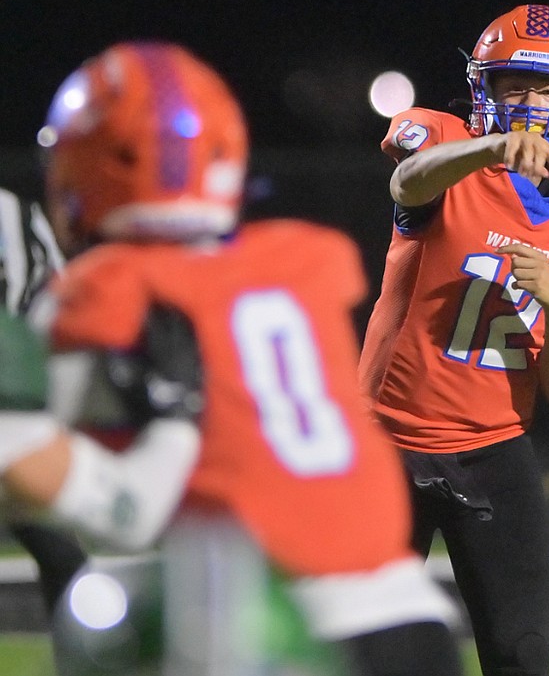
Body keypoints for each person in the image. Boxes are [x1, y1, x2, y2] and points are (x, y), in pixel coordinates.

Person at [0, 40, 463, 676]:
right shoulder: (307, 261)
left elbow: (24, 462)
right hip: (406, 616)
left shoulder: (104, 291)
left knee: (104, 622)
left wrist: (159, 440)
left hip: (257, 625)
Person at [359, 3, 549, 676]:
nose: (533, 102)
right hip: (385, 441)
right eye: (515, 82)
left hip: (492, 449)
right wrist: (489, 149)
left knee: (522, 655)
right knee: (357, 651)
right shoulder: (443, 141)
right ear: (485, 87)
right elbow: (406, 179)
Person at [0, 186, 88, 623]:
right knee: (63, 560)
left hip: (10, 417)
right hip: (12, 417)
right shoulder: (16, 214)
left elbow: (54, 303)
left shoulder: (15, 214)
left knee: (64, 561)